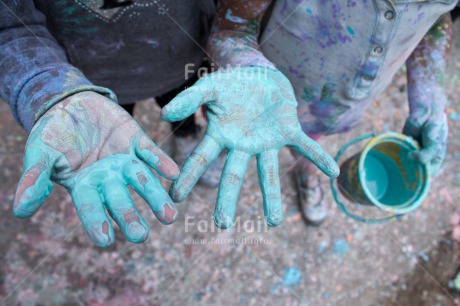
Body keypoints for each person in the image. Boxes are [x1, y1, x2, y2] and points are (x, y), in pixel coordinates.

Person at [166, 0, 456, 226]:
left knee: (310, 142)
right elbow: (231, 32)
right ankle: (223, 153)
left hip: (339, 104)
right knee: (238, 130)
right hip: (259, 93)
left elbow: (436, 15)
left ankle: (305, 169)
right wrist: (249, 69)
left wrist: (429, 88)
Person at [0, 0, 219, 247]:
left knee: (180, 108)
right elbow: (8, 26)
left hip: (182, 56)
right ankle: (125, 153)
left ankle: (185, 137)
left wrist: (233, 43)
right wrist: (48, 88)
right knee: (117, 122)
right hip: (95, 77)